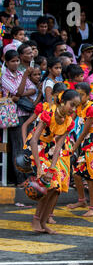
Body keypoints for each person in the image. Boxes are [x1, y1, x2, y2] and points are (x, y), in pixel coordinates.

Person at [25, 89, 80, 234]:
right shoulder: (48, 114)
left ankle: (43, 222)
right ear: (62, 102)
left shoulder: (68, 122)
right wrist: (39, 168)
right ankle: (36, 220)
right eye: (71, 105)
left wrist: (52, 168)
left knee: (56, 188)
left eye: (76, 107)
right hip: (37, 150)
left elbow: (58, 147)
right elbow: (34, 140)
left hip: (50, 152)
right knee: (49, 185)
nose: (73, 109)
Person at [67, 82, 93, 217]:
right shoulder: (79, 106)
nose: (79, 97)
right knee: (77, 174)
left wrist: (74, 146)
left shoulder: (91, 108)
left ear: (88, 95)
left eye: (81, 95)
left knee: (91, 176)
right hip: (87, 141)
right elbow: (71, 121)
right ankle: (82, 201)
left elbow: (85, 131)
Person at [2, 50, 37, 186]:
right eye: (13, 61)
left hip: (26, 114)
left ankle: (28, 175)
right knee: (17, 147)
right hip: (14, 115)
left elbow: (33, 89)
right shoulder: (4, 77)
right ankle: (20, 179)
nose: (16, 63)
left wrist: (19, 95)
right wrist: (23, 83)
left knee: (27, 146)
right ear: (6, 62)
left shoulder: (21, 73)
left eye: (17, 61)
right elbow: (18, 91)